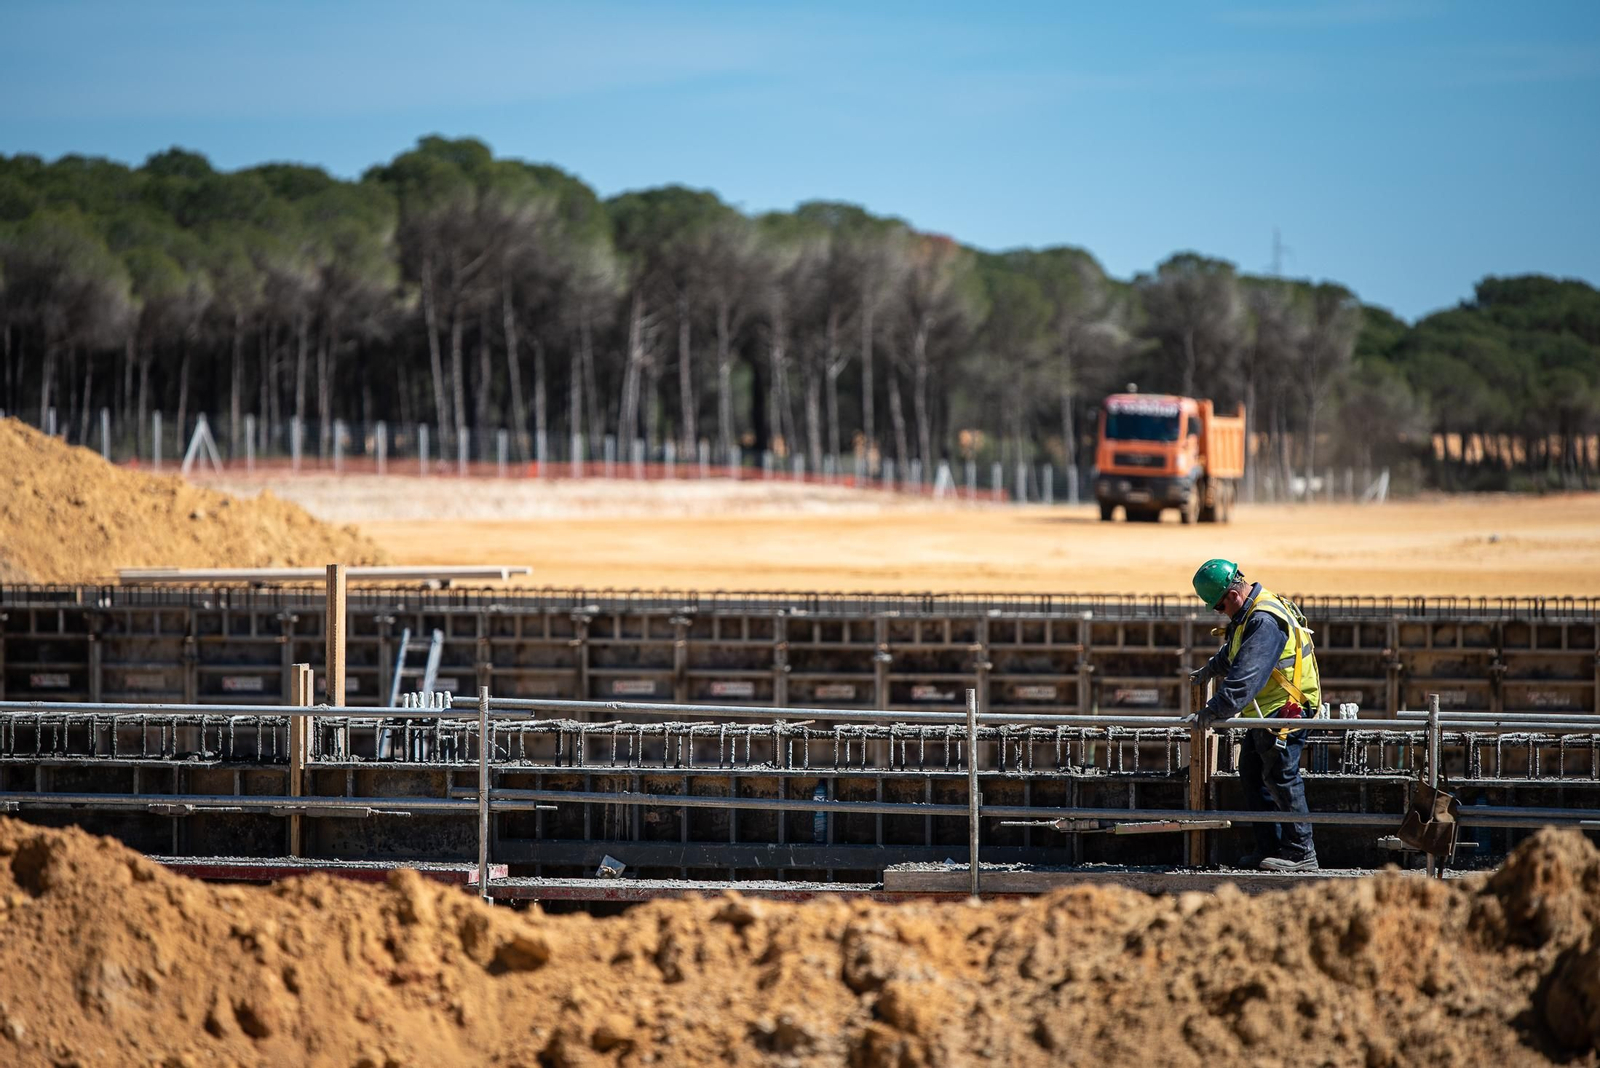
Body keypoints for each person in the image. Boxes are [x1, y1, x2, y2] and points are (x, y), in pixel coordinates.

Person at [1188, 558, 1320, 871]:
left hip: (1286, 710)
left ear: (1232, 596)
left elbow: (1247, 676)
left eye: (1219, 607)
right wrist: (1210, 669)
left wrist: (1213, 711)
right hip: (1268, 712)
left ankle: (1302, 854)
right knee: (1250, 771)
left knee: (1280, 776)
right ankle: (1270, 848)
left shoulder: (1263, 620)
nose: (1220, 613)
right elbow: (1235, 650)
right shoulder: (1250, 611)